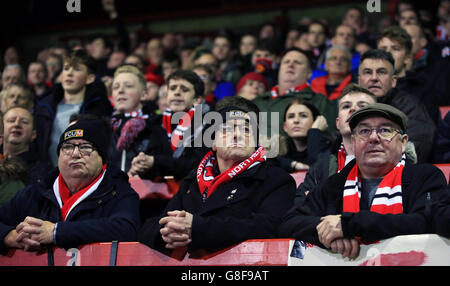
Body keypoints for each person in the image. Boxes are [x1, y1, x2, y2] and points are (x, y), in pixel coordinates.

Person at [280, 103, 447, 259]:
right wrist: (330, 235)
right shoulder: (334, 184)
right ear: (353, 142)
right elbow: (289, 223)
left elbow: (426, 222)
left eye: (385, 130)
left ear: (403, 142)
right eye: (364, 131)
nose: (373, 138)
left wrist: (349, 226)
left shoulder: (426, 176)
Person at [138, 96, 296, 252]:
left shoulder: (276, 179)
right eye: (227, 129)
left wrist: (197, 228)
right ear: (213, 143)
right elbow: (152, 225)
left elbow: (269, 226)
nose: (237, 135)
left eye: (246, 130)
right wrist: (166, 234)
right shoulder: (193, 181)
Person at [0, 117, 140, 253]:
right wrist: (9, 236)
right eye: (67, 147)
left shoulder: (119, 192)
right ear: (58, 156)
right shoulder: (37, 191)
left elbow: (126, 229)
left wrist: (56, 232)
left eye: (85, 147)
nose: (75, 153)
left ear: (101, 157)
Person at [295, 84, 377, 205]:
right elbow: (295, 215)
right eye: (346, 106)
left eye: (362, 106)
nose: (353, 109)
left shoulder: (394, 162)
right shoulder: (321, 165)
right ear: (338, 123)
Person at [34, 49, 113, 167]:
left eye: (77, 69)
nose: (69, 73)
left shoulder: (98, 110)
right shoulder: (43, 107)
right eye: (66, 68)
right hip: (47, 176)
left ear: (90, 78)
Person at [128, 70, 209, 181]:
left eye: (184, 89)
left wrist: (156, 162)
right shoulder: (158, 123)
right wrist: (141, 165)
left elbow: (198, 165)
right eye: (172, 88)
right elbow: (153, 160)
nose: (177, 92)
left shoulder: (207, 123)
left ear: (197, 100)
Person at [357, 49, 435, 163]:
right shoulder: (349, 106)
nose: (374, 78)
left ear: (394, 81)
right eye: (368, 72)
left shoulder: (410, 105)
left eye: (381, 72)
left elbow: (418, 146)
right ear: (359, 81)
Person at [252, 47, 338, 141]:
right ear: (279, 68)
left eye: (297, 62)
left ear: (309, 73)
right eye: (286, 62)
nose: (291, 65)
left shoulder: (319, 102)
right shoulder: (258, 101)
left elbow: (328, 140)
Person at [108, 65, 171, 174]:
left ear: (144, 94)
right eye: (116, 87)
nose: (120, 91)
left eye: (128, 86)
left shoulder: (157, 125)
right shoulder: (105, 127)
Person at [277, 98, 329, 173]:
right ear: (285, 127)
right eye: (291, 116)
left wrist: (315, 132)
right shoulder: (279, 150)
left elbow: (319, 167)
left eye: (303, 116)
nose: (296, 120)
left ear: (316, 122)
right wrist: (293, 164)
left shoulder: (328, 146)